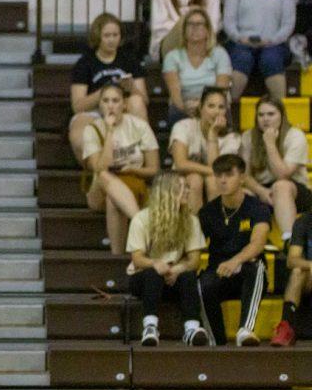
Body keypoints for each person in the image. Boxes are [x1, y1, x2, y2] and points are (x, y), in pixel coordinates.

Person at [126, 172, 210, 346]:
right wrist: (156, 264)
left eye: (187, 187)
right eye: (180, 188)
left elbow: (195, 260)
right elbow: (137, 259)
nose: (187, 191)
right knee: (152, 274)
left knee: (188, 276)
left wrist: (176, 269)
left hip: (173, 277)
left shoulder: (191, 221)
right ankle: (150, 326)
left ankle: (192, 328)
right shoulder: (141, 219)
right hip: (143, 277)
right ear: (166, 192)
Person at [197, 154, 270, 347]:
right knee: (202, 282)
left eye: (229, 174)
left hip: (246, 269)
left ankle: (246, 330)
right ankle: (217, 341)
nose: (222, 180)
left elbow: (258, 243)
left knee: (257, 269)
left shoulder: (257, 207)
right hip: (218, 271)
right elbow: (194, 246)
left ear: (243, 177)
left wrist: (236, 261)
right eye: (218, 175)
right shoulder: (207, 212)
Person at [81, 83, 160, 254]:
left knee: (114, 200)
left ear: (124, 104)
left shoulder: (139, 126)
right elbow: (98, 168)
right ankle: (140, 221)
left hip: (133, 184)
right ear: (100, 105)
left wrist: (132, 170)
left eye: (115, 101)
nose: (110, 105)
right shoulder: (92, 129)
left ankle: (117, 256)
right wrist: (110, 132)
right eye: (106, 101)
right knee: (103, 175)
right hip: (98, 189)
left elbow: (154, 169)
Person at [67, 13, 148, 162]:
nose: (111, 40)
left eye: (115, 35)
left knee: (137, 101)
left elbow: (144, 100)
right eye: (107, 35)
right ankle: (97, 169)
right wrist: (105, 91)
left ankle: (137, 158)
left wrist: (131, 89)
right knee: (79, 134)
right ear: (98, 37)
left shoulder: (129, 60)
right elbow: (77, 106)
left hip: (123, 107)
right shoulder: (85, 63)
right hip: (94, 110)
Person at [224, 0, 296, 104]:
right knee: (241, 58)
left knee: (271, 59)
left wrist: (272, 40)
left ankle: (280, 109)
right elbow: (228, 21)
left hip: (274, 43)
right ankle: (229, 108)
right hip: (241, 42)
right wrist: (239, 37)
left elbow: (288, 24)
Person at [240, 97, 311, 242]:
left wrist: (270, 143)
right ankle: (238, 244)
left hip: (295, 190)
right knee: (238, 192)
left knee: (281, 186)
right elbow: (244, 175)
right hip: (262, 189)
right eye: (261, 115)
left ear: (281, 116)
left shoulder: (295, 135)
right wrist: (262, 191)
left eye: (271, 114)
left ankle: (290, 241)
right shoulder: (248, 136)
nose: (265, 119)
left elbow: (283, 174)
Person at [169, 87, 240, 208]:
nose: (216, 111)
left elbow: (218, 167)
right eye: (211, 106)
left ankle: (215, 225)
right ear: (201, 107)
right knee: (195, 179)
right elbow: (181, 164)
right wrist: (213, 171)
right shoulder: (183, 127)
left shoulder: (232, 138)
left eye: (221, 107)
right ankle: (192, 225)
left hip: (217, 181)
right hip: (181, 178)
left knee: (214, 182)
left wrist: (213, 134)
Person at [161, 8, 232, 124]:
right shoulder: (172, 57)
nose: (194, 27)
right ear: (184, 30)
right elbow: (175, 94)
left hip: (214, 105)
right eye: (190, 24)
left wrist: (202, 107)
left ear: (208, 30)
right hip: (183, 106)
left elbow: (221, 89)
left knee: (220, 110)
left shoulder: (220, 54)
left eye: (199, 24)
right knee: (176, 111)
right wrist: (185, 107)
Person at [273, 210, 312, 346]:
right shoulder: (304, 221)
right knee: (297, 271)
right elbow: (292, 260)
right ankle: (286, 326)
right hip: (309, 279)